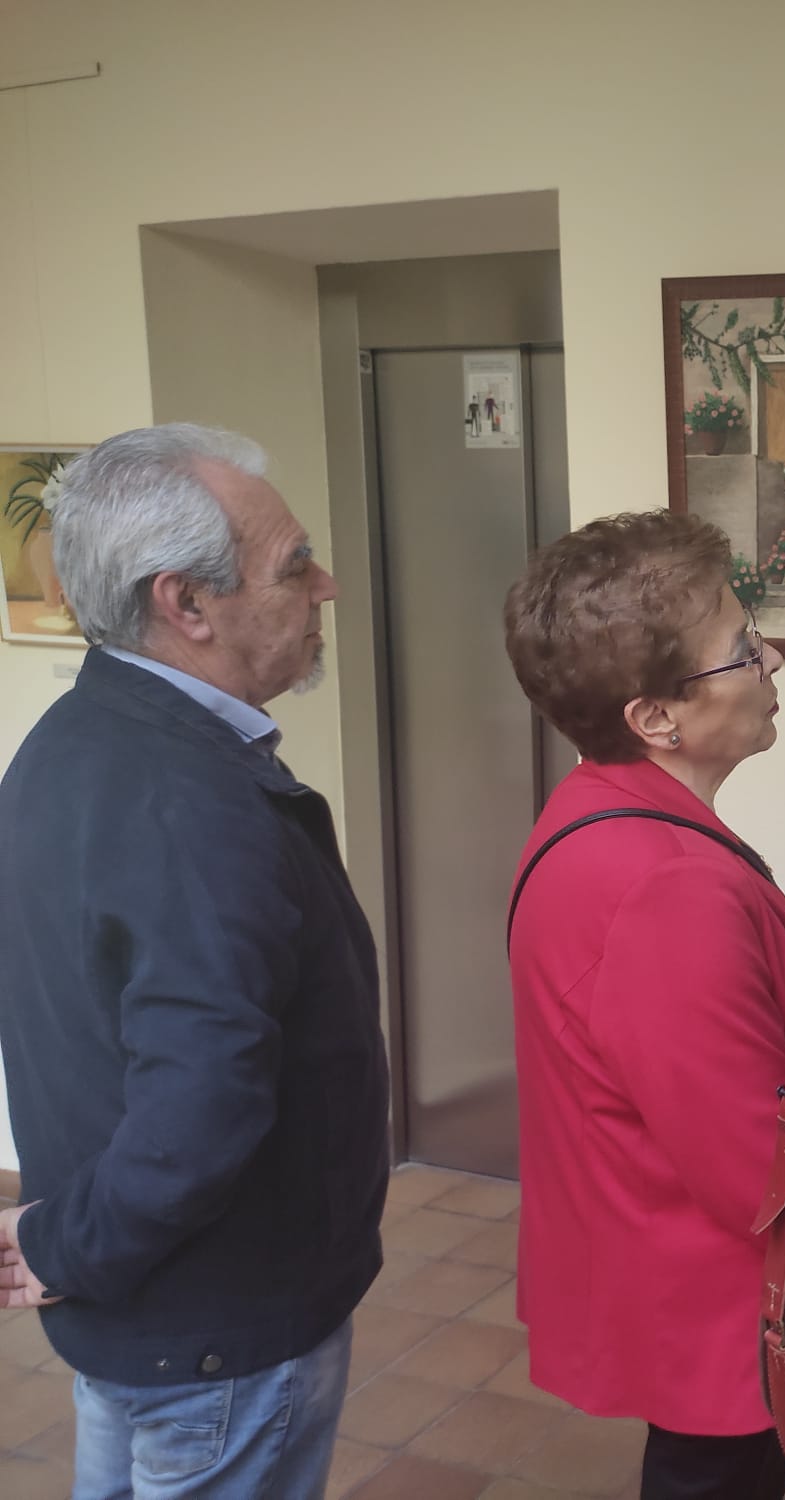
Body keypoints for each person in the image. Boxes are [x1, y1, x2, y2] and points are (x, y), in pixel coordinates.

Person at [0, 424, 389, 1498]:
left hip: (153, 1319)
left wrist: (73, 1248)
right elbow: (201, 1099)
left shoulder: (75, 739)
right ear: (187, 604)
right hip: (217, 1330)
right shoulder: (192, 805)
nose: (327, 586)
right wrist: (65, 1247)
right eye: (292, 565)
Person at [502, 510, 785, 1500]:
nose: (772, 656)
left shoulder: (596, 809)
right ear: (656, 717)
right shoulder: (662, 885)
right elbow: (760, 1169)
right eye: (743, 648)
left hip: (667, 1273)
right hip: (717, 1307)